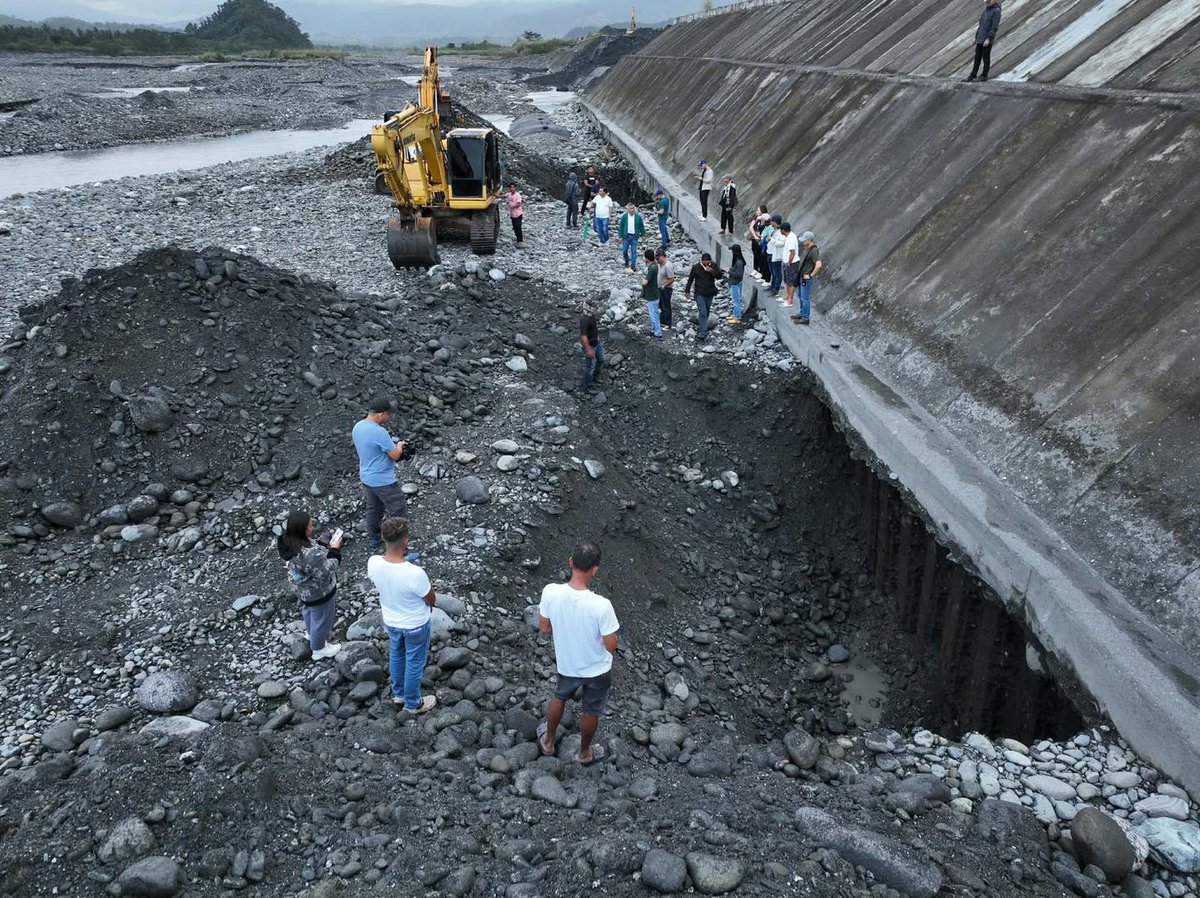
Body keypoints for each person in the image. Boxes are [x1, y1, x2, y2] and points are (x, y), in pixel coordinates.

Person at [536, 541, 619, 766]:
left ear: (570, 562)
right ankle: (584, 753)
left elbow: (544, 629)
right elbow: (611, 645)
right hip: (597, 668)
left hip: (568, 664)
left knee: (559, 696)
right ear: (595, 569)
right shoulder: (602, 606)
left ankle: (549, 741)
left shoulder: (551, 592)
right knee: (591, 710)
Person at [368, 517, 437, 715]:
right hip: (415, 624)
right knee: (415, 662)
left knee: (396, 654)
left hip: (391, 620)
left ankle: (399, 694)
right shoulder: (414, 573)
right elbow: (431, 599)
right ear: (406, 541)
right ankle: (413, 703)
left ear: (382, 537)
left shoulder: (373, 563)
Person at [278, 509, 342, 660]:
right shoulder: (310, 553)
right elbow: (326, 570)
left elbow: (307, 562)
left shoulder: (287, 541)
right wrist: (334, 551)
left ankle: (310, 633)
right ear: (303, 529)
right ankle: (319, 648)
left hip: (302, 589)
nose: (312, 527)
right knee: (323, 617)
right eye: (311, 525)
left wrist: (319, 545)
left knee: (308, 610)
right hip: (318, 592)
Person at [352, 398, 407, 548]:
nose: (389, 417)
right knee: (398, 510)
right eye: (388, 414)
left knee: (374, 508)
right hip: (383, 480)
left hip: (366, 477)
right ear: (380, 415)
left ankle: (375, 538)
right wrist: (400, 446)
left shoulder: (358, 427)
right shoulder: (379, 431)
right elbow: (395, 455)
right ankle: (398, 547)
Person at [684, 252, 724, 342]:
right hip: (699, 292)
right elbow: (691, 279)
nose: (706, 262)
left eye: (708, 261)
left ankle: (703, 324)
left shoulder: (713, 266)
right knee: (702, 312)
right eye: (704, 260)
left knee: (706, 311)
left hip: (710, 292)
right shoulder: (696, 267)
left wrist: (711, 271)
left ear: (710, 261)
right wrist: (687, 290)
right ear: (701, 260)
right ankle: (704, 332)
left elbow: (719, 276)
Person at [966, 0, 1002, 83]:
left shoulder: (996, 11)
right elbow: (981, 25)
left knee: (986, 57)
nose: (988, 3)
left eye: (989, 1)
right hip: (980, 38)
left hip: (987, 39)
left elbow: (994, 27)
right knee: (977, 57)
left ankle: (984, 75)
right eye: (987, 2)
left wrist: (988, 38)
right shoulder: (986, 11)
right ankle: (973, 75)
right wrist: (976, 37)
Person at [792, 231, 823, 325]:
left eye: (805, 240)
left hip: (806, 277)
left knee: (805, 298)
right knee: (801, 296)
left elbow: (818, 265)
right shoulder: (807, 248)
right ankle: (802, 313)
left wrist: (810, 275)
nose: (803, 242)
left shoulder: (813, 250)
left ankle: (805, 318)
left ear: (810, 240)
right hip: (802, 276)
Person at [579, 302, 605, 390]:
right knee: (590, 367)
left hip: (596, 342)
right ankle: (587, 385)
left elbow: (594, 328)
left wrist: (597, 337)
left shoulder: (591, 316)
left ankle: (596, 376)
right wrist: (588, 349)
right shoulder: (584, 320)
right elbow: (584, 336)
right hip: (590, 346)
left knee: (601, 359)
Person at [618, 202, 645, 272]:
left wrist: (643, 234)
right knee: (624, 251)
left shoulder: (638, 217)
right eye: (631, 208)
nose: (632, 210)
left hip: (634, 236)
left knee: (634, 251)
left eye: (633, 208)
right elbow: (621, 226)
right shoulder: (624, 217)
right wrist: (620, 236)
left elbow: (641, 226)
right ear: (628, 209)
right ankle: (626, 261)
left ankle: (633, 265)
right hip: (626, 236)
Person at [779, 222, 800, 308]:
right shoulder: (789, 236)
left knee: (791, 282)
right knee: (787, 280)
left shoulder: (791, 238)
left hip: (792, 263)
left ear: (783, 230)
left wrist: (789, 262)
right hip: (788, 262)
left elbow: (792, 253)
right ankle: (787, 296)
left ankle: (790, 300)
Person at [641, 248, 661, 339]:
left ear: (647, 258)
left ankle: (658, 332)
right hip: (654, 294)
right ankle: (654, 329)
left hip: (652, 295)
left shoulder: (652, 268)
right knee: (653, 313)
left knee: (654, 314)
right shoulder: (655, 266)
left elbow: (645, 282)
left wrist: (641, 279)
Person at [747, 205, 769, 281]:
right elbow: (751, 227)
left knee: (761, 256)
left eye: (758, 210)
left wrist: (758, 236)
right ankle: (755, 269)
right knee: (755, 254)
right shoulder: (756, 218)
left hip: (761, 240)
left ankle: (761, 271)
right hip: (755, 239)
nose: (757, 212)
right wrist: (754, 235)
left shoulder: (765, 221)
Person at [726, 244, 746, 325]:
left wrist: (730, 271)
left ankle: (737, 318)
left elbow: (739, 275)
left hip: (736, 283)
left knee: (736, 301)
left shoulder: (739, 262)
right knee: (735, 300)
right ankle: (735, 315)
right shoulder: (739, 261)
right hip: (735, 283)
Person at [656, 248, 675, 331]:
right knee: (660, 305)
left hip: (666, 289)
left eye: (658, 258)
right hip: (659, 288)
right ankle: (662, 321)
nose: (657, 260)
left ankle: (668, 323)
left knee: (666, 306)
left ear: (663, 256)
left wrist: (664, 285)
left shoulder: (668, 266)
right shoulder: (660, 264)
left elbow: (671, 279)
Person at [768, 213, 785, 294]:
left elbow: (781, 243)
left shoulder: (781, 231)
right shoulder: (773, 229)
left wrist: (771, 239)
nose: (771, 223)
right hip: (770, 252)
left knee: (777, 272)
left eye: (772, 221)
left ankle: (776, 288)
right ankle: (772, 285)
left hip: (776, 254)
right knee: (772, 271)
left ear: (775, 222)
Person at [507, 183, 525, 247]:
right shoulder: (509, 194)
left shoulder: (517, 195)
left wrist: (512, 206)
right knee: (515, 228)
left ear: (515, 188)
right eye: (511, 187)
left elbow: (518, 204)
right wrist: (495, 195)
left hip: (518, 214)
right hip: (512, 214)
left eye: (513, 187)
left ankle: (521, 241)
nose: (512, 188)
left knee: (518, 227)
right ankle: (518, 240)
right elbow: (503, 196)